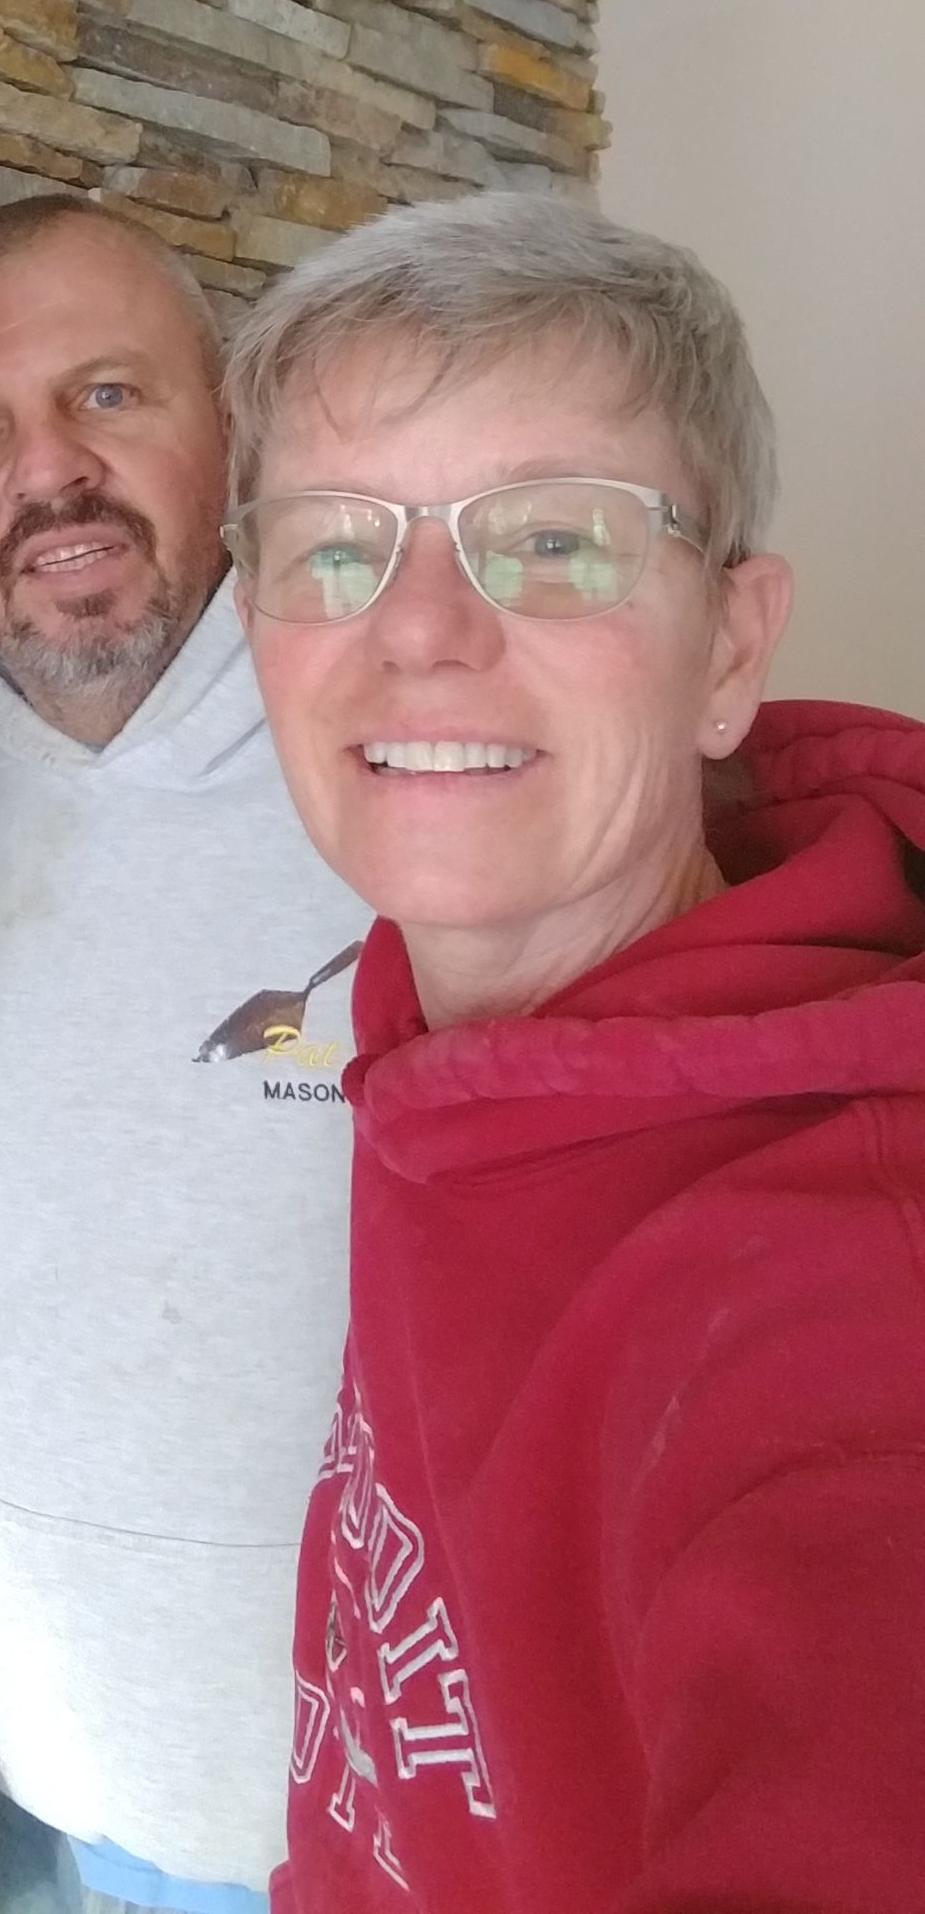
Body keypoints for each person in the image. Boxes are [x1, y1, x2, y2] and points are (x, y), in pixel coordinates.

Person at [219, 190, 925, 1912]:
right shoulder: (433, 1024)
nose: (421, 628)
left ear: (731, 649)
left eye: (555, 541)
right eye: (336, 544)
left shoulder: (841, 1297)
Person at [0, 197, 370, 1913]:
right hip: (18, 1776)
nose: (51, 472)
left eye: (110, 395)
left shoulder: (399, 759)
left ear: (223, 425)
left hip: (341, 1821)